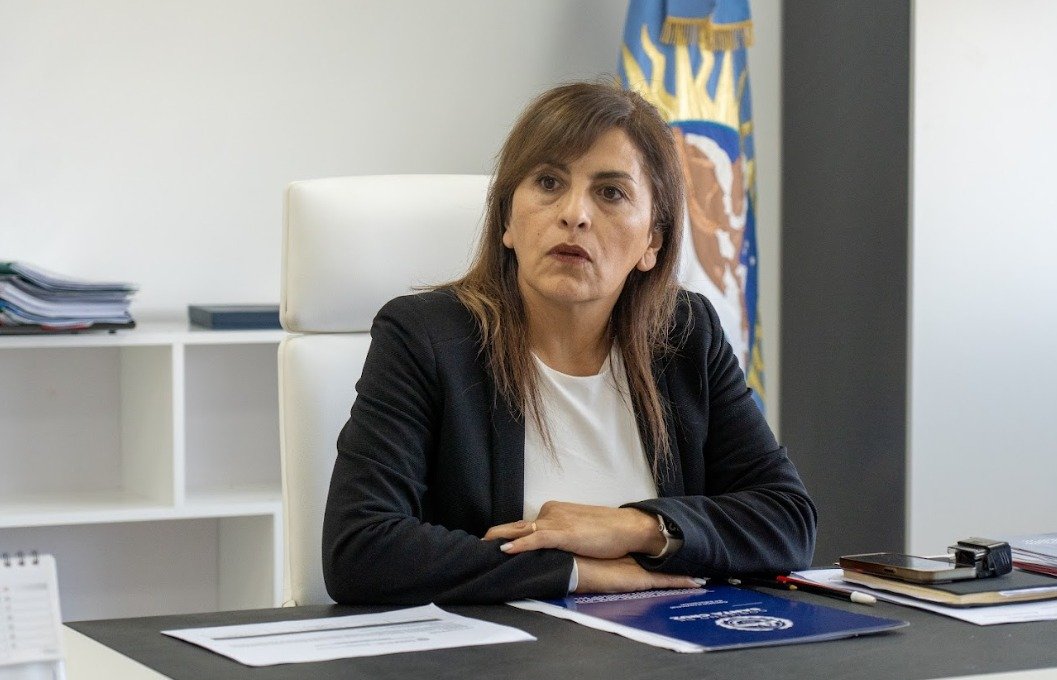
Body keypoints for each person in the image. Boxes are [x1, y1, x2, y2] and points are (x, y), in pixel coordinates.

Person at [322, 82, 816, 605]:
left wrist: (636, 528)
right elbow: (360, 550)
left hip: (664, 639)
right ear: (507, 221)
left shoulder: (685, 334)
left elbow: (787, 520)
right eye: (548, 182)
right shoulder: (425, 337)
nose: (574, 213)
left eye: (611, 192)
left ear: (652, 240)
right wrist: (575, 570)